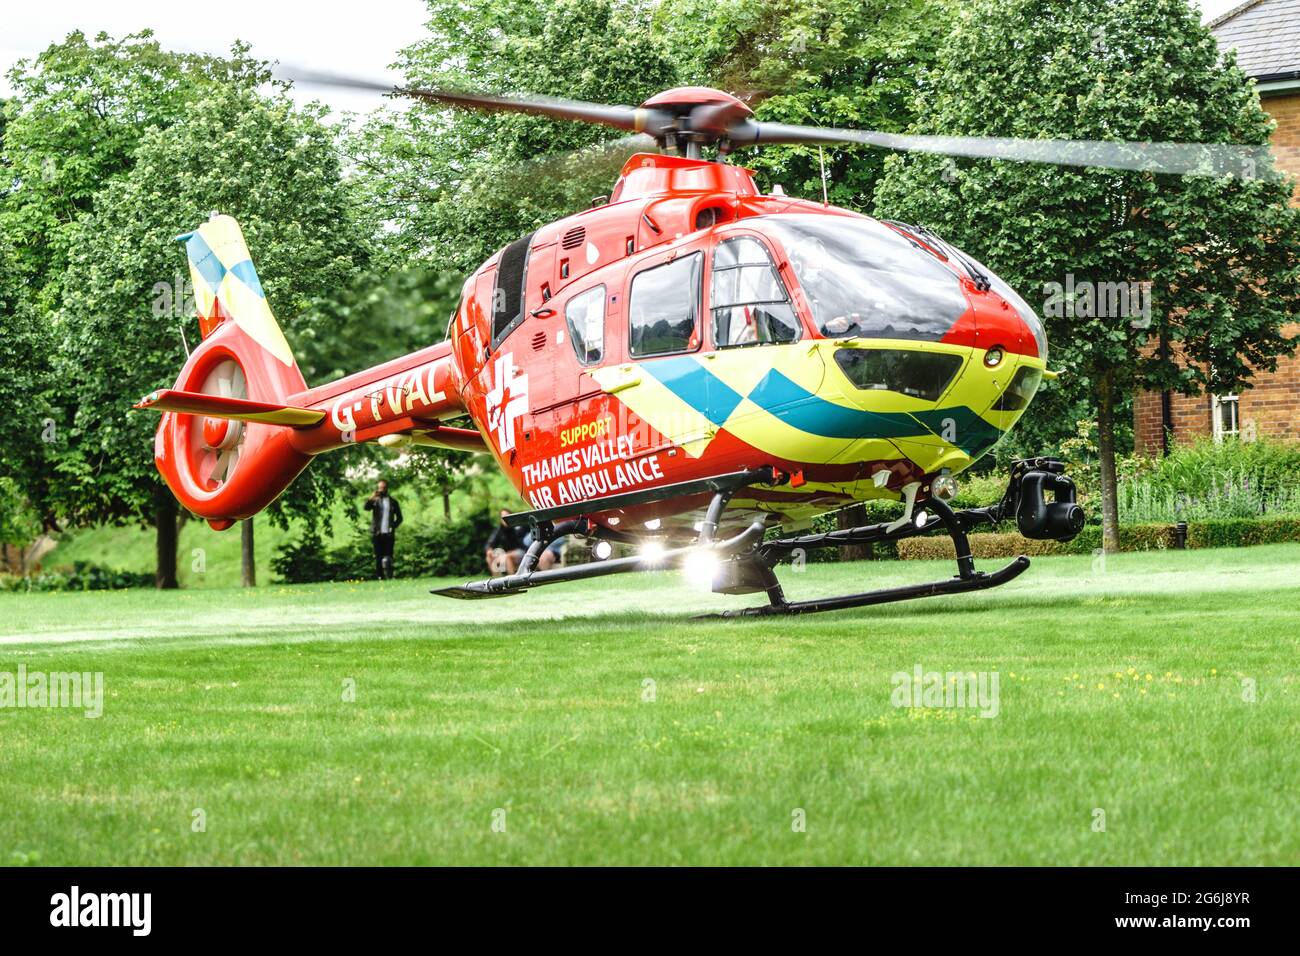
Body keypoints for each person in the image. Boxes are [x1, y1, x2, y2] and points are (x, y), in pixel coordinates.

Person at [364, 479, 403, 579]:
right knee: (378, 557)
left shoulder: (393, 502)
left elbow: (400, 518)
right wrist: (371, 497)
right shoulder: (375, 501)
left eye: (383, 488)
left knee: (389, 556)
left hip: (389, 533)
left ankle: (390, 576)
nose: (381, 490)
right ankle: (380, 577)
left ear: (387, 488)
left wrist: (393, 526)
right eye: (380, 488)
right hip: (377, 533)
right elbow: (366, 508)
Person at [485, 510, 527, 575]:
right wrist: (489, 550)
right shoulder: (499, 530)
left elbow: (520, 543)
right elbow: (490, 542)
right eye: (503, 516)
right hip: (506, 554)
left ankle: (513, 581)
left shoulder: (517, 527)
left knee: (507, 557)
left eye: (506, 516)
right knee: (489, 557)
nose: (504, 518)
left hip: (522, 551)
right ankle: (496, 581)